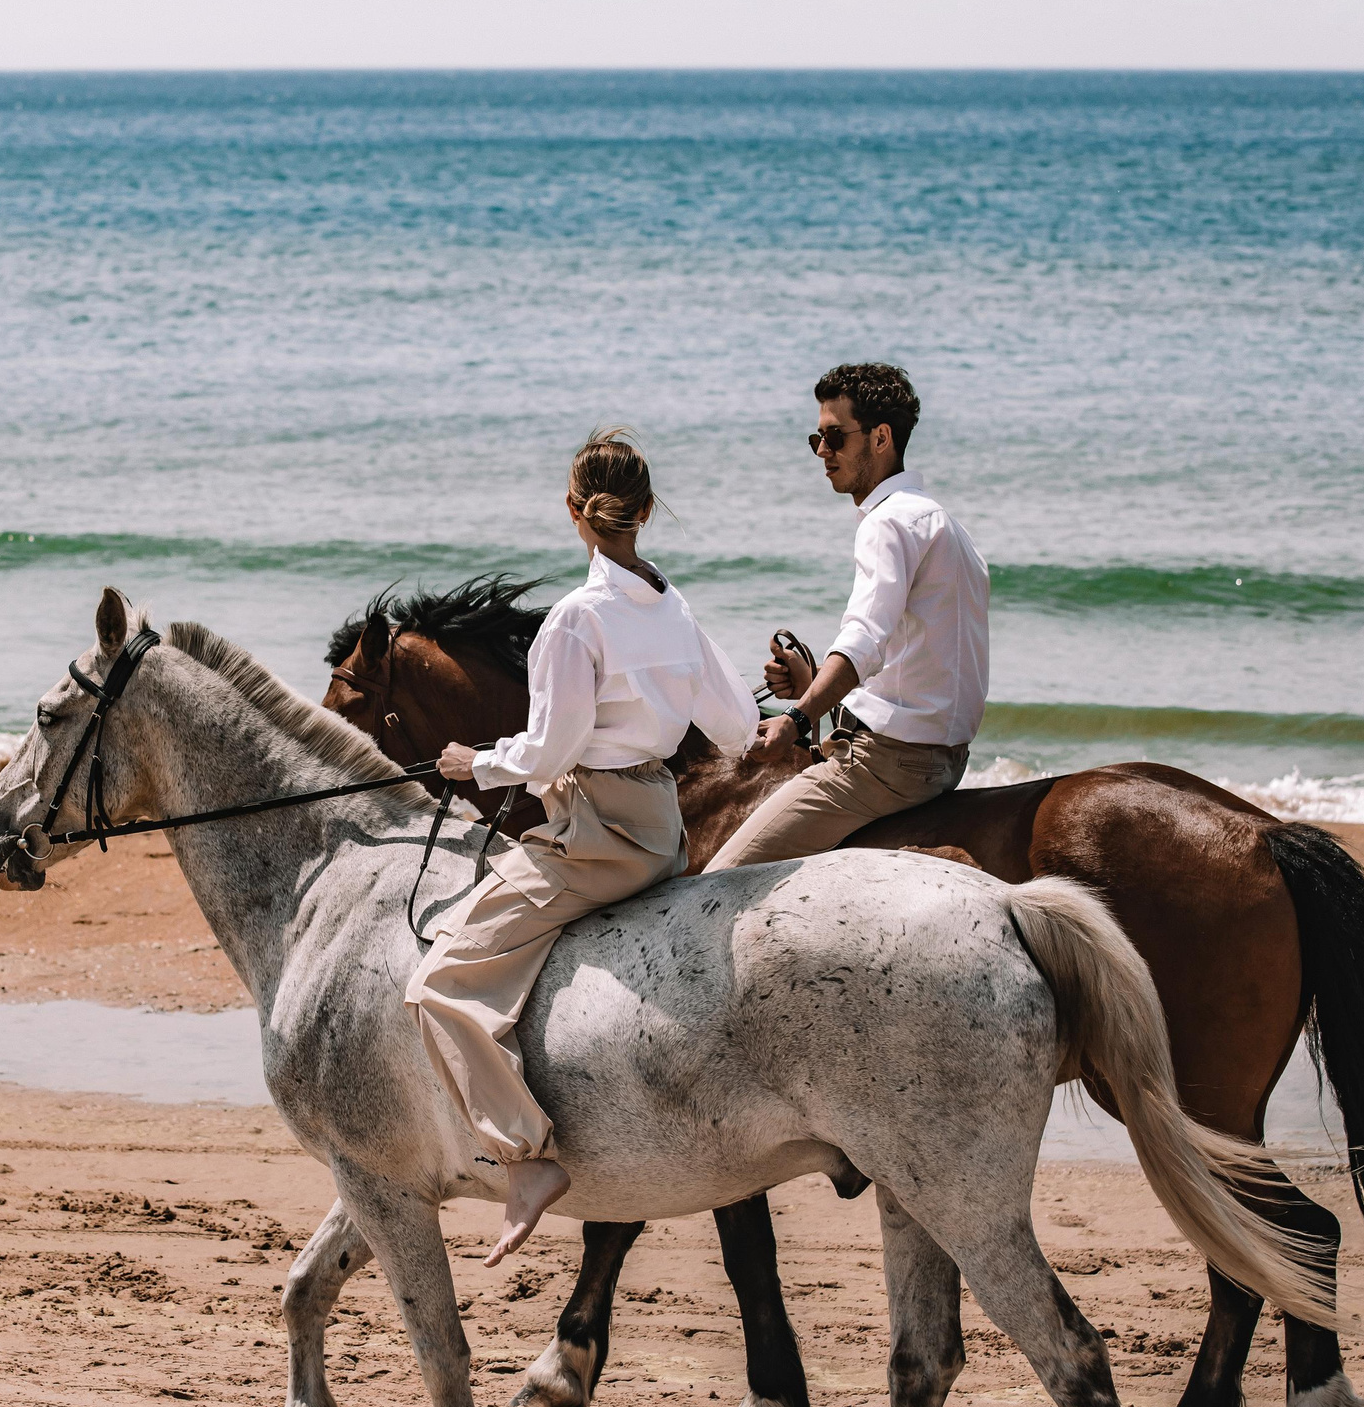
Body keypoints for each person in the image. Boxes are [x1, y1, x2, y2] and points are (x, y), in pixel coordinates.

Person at [406, 429, 757, 1267]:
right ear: (643, 514)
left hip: (594, 834)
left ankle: (525, 1157)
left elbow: (548, 753)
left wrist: (472, 760)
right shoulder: (674, 608)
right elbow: (740, 729)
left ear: (575, 511)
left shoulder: (574, 619)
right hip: (660, 827)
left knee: (438, 985)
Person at [704, 362, 988, 872]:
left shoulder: (887, 524)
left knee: (715, 880)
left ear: (881, 438)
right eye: (816, 438)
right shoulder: (943, 524)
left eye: (835, 437)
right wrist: (812, 683)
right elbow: (915, 668)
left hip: (887, 765)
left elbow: (863, 641)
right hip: (943, 759)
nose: (822, 452)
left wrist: (796, 718)